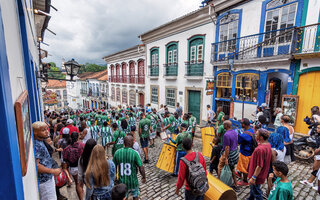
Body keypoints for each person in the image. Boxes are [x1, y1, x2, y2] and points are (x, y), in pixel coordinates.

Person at [33, 121, 62, 200]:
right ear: (35, 132)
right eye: (43, 130)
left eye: (47, 129)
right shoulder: (36, 145)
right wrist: (53, 171)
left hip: (48, 179)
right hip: (44, 182)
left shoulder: (41, 141)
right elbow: (37, 166)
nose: (47, 132)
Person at [113, 135, 146, 200]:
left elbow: (113, 167)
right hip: (133, 181)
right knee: (135, 195)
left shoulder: (117, 153)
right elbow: (141, 167)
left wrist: (115, 179)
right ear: (132, 143)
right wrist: (143, 176)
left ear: (123, 143)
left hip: (122, 181)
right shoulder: (135, 153)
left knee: (124, 197)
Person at [247, 129, 272, 200]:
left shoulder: (260, 149)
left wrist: (253, 177)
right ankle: (250, 198)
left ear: (261, 137)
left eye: (256, 134)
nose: (255, 135)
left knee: (256, 191)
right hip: (262, 173)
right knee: (253, 188)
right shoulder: (267, 145)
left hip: (256, 175)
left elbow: (259, 165)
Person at [63, 132, 85, 199]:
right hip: (81, 167)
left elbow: (65, 160)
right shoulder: (82, 145)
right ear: (78, 137)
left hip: (73, 168)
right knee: (81, 184)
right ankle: (82, 196)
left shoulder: (67, 148)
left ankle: (81, 197)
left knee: (77, 184)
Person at [217, 120, 239, 188]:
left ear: (226, 126)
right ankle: (236, 183)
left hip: (228, 154)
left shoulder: (226, 135)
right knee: (232, 168)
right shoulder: (234, 132)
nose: (223, 126)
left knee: (220, 167)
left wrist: (226, 158)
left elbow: (227, 147)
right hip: (235, 152)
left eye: (223, 125)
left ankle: (220, 182)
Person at [236, 118, 255, 186]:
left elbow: (238, 142)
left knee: (244, 168)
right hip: (251, 151)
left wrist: (238, 135)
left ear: (244, 125)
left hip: (245, 153)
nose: (240, 125)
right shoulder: (252, 130)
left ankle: (245, 180)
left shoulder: (244, 135)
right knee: (245, 166)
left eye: (241, 123)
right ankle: (239, 173)